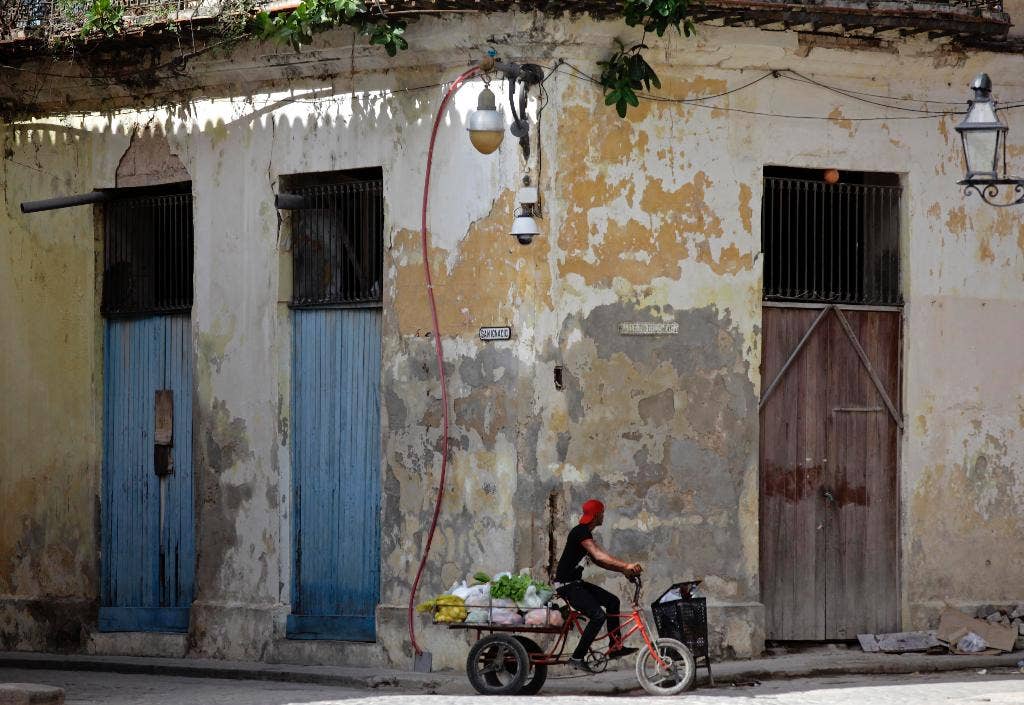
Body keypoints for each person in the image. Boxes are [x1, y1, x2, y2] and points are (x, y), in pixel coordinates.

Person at [554, 498, 643, 672]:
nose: (603, 516)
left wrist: (622, 571)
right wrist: (626, 565)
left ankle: (616, 647)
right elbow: (599, 555)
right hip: (567, 586)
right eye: (602, 513)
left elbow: (599, 561)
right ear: (596, 515)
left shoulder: (585, 532)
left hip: (576, 584)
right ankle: (577, 657)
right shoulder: (580, 532)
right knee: (598, 616)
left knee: (612, 601)